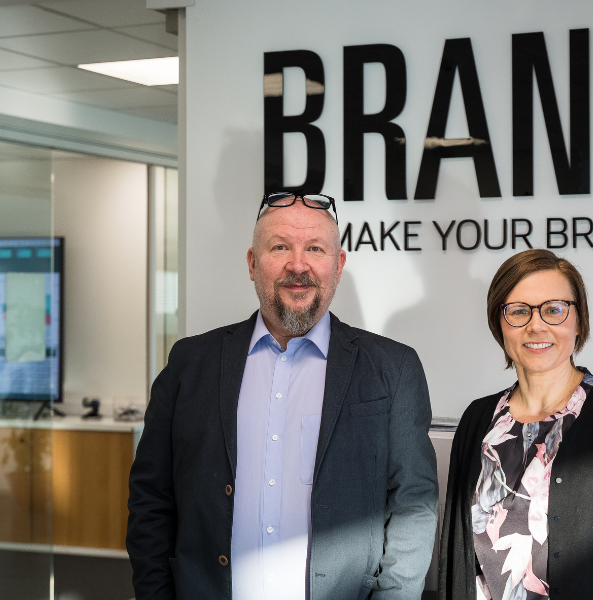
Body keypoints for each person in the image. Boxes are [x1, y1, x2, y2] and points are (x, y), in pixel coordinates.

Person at [127, 192, 439, 600]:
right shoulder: (190, 364)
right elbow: (151, 500)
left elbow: (413, 508)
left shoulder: (393, 369)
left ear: (338, 265)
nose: (298, 264)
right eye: (280, 247)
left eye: (315, 249)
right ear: (252, 264)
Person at [438, 249, 593, 600]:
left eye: (554, 309)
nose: (536, 325)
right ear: (499, 324)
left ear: (579, 321)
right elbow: (454, 556)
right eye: (518, 311)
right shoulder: (478, 419)